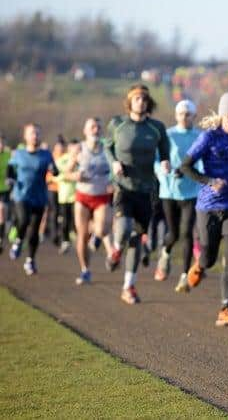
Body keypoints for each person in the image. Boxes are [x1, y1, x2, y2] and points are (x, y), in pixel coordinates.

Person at [180, 92, 228, 326]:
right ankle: (200, 266)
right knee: (209, 257)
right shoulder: (209, 137)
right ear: (222, 116)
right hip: (209, 206)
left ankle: (225, 309)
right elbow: (186, 167)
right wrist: (210, 181)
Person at [104, 84, 170, 305]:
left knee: (136, 239)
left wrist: (165, 162)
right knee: (122, 231)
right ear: (129, 101)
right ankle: (114, 250)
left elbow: (164, 152)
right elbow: (107, 147)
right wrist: (114, 163)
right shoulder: (117, 124)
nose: (140, 102)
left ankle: (128, 286)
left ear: (148, 102)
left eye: (144, 98)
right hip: (124, 187)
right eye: (136, 98)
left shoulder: (156, 128)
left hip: (147, 189)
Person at [154, 99, 200, 292]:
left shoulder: (200, 135)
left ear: (193, 116)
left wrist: (189, 169)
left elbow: (203, 161)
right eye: (181, 114)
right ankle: (165, 253)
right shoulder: (167, 135)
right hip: (169, 191)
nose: (184, 117)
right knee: (173, 233)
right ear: (176, 115)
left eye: (188, 114)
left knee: (187, 232)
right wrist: (164, 169)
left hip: (191, 190)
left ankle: (184, 277)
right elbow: (156, 161)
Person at [7, 123, 58, 275]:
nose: (35, 136)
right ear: (26, 136)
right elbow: (10, 168)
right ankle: (18, 242)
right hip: (21, 194)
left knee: (35, 229)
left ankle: (30, 260)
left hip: (39, 196)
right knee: (23, 220)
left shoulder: (46, 154)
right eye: (32, 133)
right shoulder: (19, 154)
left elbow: (54, 170)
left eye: (37, 133)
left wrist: (53, 170)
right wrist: (10, 179)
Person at [71, 117, 114, 285]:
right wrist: (75, 175)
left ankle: (96, 236)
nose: (95, 130)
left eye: (98, 127)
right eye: (92, 127)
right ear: (85, 131)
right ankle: (85, 270)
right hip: (82, 196)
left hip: (101, 195)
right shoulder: (78, 149)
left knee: (102, 230)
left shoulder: (108, 149)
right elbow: (66, 173)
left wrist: (114, 182)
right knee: (82, 235)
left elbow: (116, 169)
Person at [55, 138, 81, 254]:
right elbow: (58, 176)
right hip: (64, 196)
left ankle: (80, 241)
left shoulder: (82, 160)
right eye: (75, 148)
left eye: (78, 148)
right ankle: (65, 241)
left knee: (78, 221)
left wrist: (70, 175)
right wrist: (70, 174)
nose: (77, 150)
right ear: (69, 148)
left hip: (78, 195)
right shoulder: (61, 160)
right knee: (65, 220)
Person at [0, 135, 11, 254]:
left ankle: (1, 238)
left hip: (4, 188)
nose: (1, 145)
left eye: (2, 143)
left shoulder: (9, 155)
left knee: (1, 211)